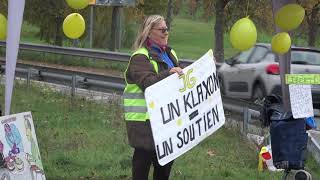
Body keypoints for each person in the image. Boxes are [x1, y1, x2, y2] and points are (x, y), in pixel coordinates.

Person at [123, 15, 184, 180]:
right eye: (162, 30)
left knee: (164, 170)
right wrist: (168, 73)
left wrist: (204, 67)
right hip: (145, 125)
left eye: (167, 29)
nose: (166, 33)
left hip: (167, 122)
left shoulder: (170, 54)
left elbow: (183, 76)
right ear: (149, 32)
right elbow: (148, 83)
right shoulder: (140, 57)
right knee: (141, 169)